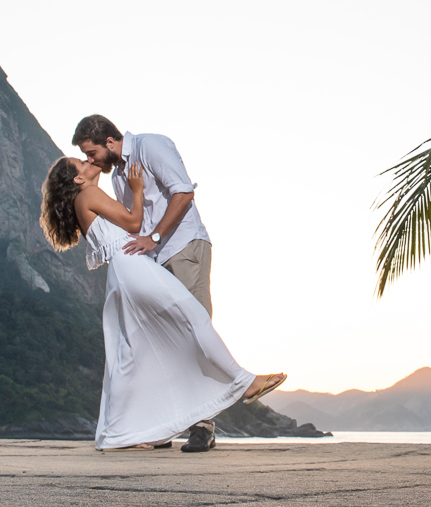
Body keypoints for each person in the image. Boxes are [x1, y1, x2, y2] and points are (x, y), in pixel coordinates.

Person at [39, 156, 286, 452]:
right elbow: (134, 222)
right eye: (81, 162)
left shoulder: (82, 201)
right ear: (78, 179)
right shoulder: (89, 194)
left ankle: (119, 434)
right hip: (132, 264)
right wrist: (137, 188)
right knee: (191, 314)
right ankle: (243, 382)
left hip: (122, 271)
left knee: (132, 353)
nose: (88, 161)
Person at [72, 114, 225, 450]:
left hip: (183, 247)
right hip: (153, 261)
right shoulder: (120, 177)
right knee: (163, 341)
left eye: (91, 152)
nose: (90, 160)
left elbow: (184, 193)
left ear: (109, 142)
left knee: (195, 328)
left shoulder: (151, 146)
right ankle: (164, 425)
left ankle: (203, 427)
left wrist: (154, 237)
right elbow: (132, 223)